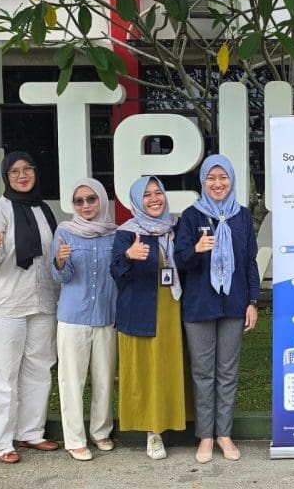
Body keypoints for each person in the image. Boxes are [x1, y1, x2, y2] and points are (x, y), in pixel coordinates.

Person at [0, 152, 60, 464]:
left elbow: (50, 257)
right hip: (5, 303)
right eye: (14, 172)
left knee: (39, 368)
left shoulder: (44, 210)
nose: (22, 176)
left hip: (42, 301)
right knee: (2, 373)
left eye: (27, 169)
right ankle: (0, 440)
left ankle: (30, 432)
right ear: (6, 177)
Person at [173, 155, 260, 464]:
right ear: (203, 182)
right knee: (202, 373)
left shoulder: (242, 216)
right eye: (211, 178)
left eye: (223, 177)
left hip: (234, 304)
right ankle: (206, 437)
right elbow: (179, 261)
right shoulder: (191, 216)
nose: (217, 183)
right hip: (199, 305)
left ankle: (224, 434)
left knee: (227, 372)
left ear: (232, 180)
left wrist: (252, 301)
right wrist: (196, 250)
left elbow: (250, 261)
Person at [111, 176, 190, 461]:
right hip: (141, 311)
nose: (155, 199)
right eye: (147, 195)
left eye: (158, 192)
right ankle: (153, 432)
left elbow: (188, 262)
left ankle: (181, 424)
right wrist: (128, 255)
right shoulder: (127, 232)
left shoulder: (176, 228)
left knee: (172, 367)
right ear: (136, 201)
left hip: (174, 309)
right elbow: (115, 272)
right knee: (147, 370)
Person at [51, 177, 118, 461]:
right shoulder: (65, 232)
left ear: (101, 199)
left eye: (91, 199)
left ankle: (101, 431)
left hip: (106, 313)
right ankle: (75, 439)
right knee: (71, 380)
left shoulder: (115, 234)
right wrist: (60, 261)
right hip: (73, 316)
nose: (86, 205)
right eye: (79, 201)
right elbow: (60, 277)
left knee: (104, 378)